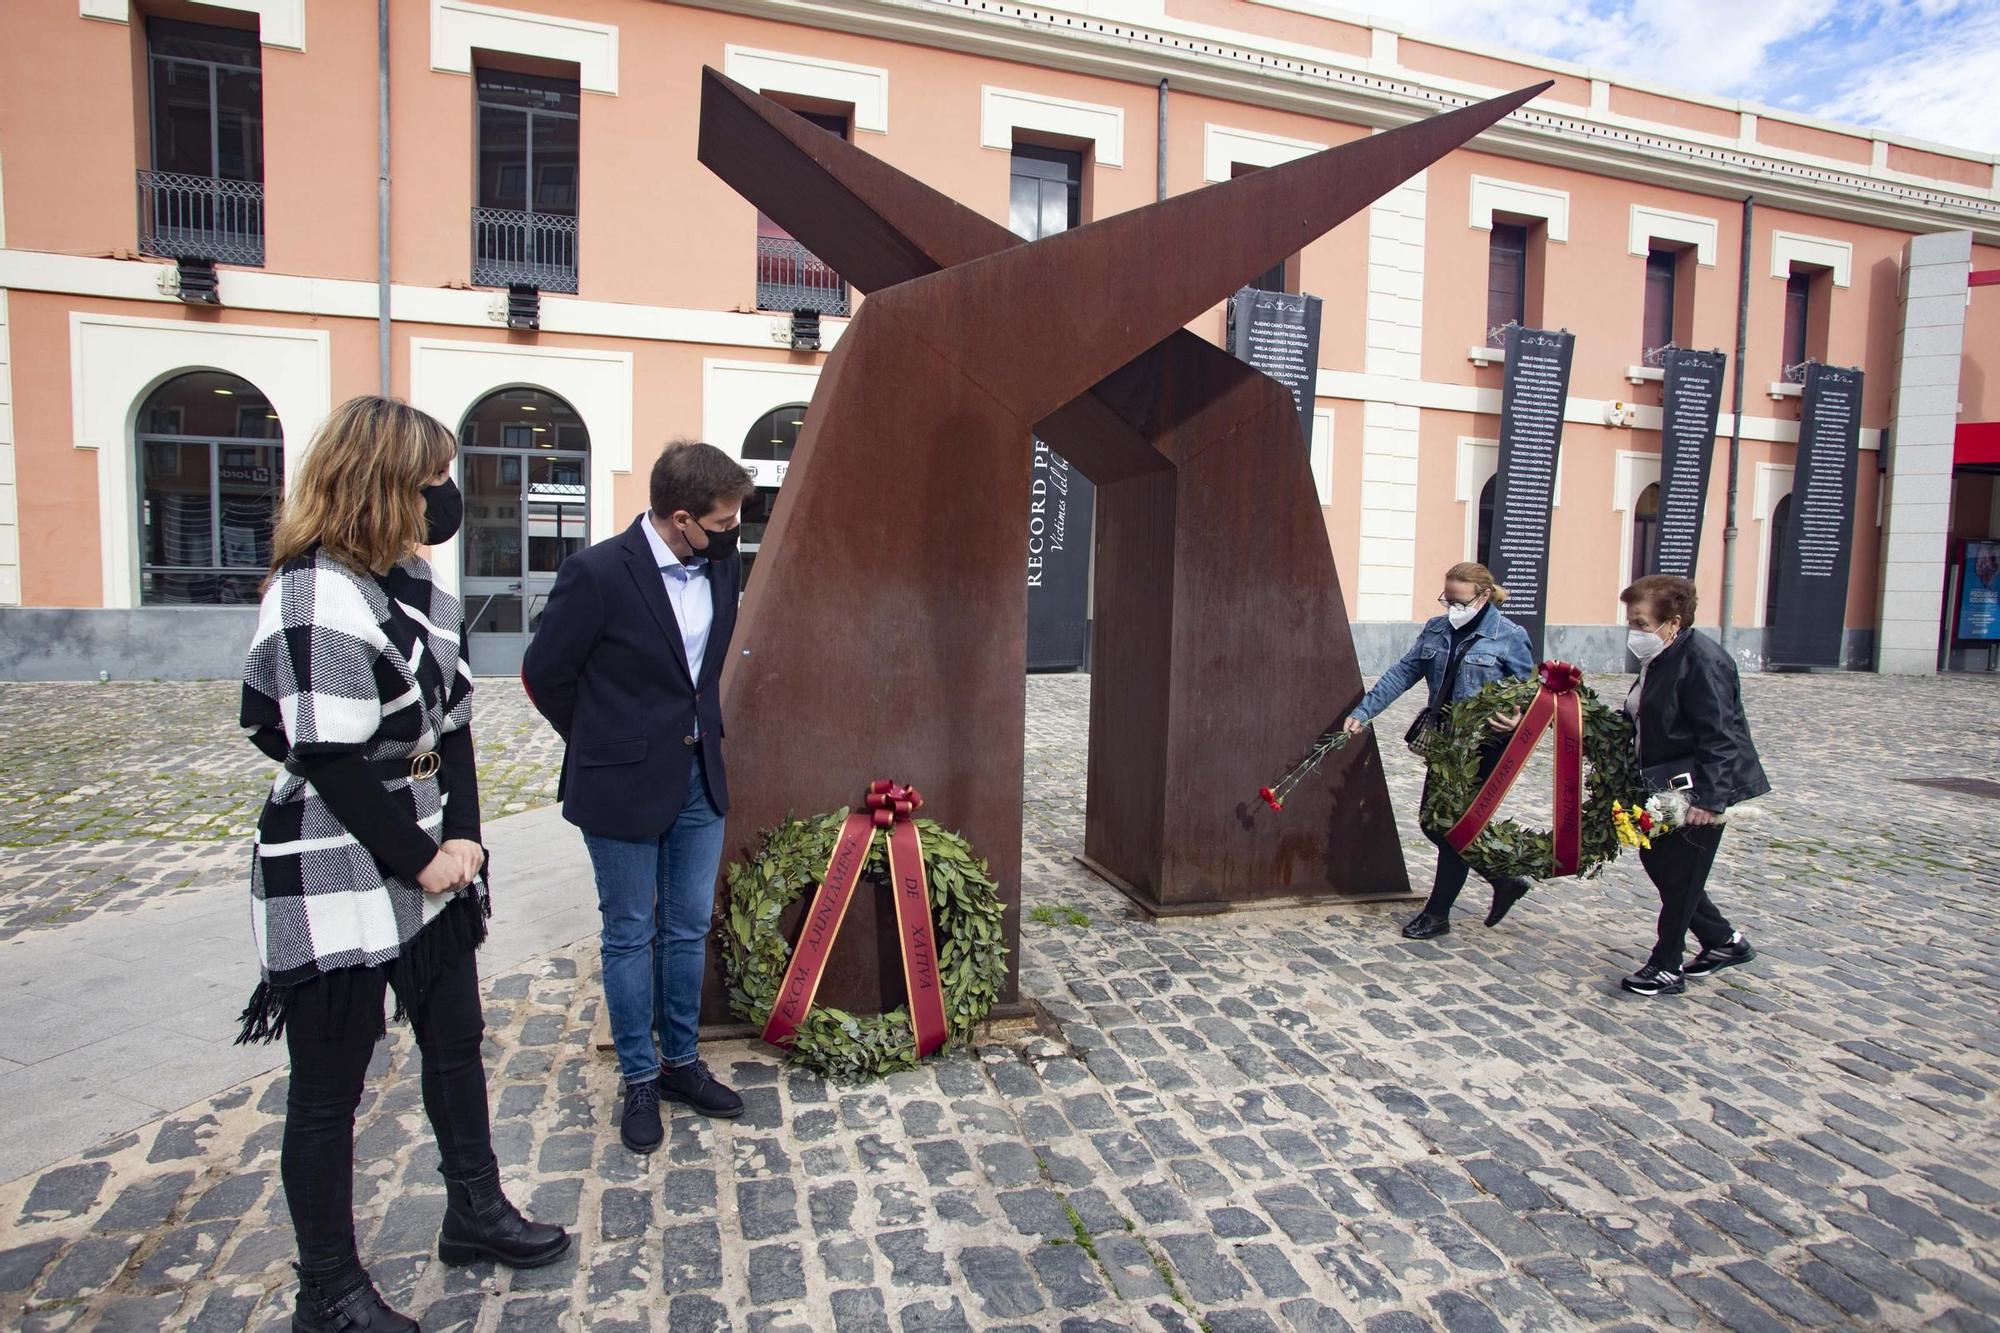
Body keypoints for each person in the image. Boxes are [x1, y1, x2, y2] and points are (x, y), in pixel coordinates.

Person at [237, 396, 568, 1333]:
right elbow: (329, 755)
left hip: (428, 851)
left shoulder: (417, 581)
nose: (447, 496)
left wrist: (464, 833)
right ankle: (329, 1291)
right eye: (433, 480)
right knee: (328, 1091)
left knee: (455, 1040)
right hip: (337, 861)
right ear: (384, 484)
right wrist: (419, 856)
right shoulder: (312, 592)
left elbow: (453, 723)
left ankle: (474, 1207)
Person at [522, 440, 757, 1154]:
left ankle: (682, 1062)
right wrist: (603, 741)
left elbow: (701, 675)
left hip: (698, 779)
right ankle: (639, 1077)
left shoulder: (719, 567)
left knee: (686, 927)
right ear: (680, 517)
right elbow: (544, 674)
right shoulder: (596, 572)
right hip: (618, 783)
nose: (731, 535)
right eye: (721, 523)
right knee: (631, 932)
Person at [1345, 562, 1537, 939]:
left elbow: (1529, 692)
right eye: (1447, 598)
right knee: (1433, 822)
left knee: (1452, 826)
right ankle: (1502, 877)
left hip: (1484, 746)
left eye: (1459, 600)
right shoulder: (1436, 629)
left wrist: (1519, 718)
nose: (1452, 606)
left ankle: (1437, 914)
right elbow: (1404, 672)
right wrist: (1365, 711)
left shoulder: (1509, 635)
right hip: (1447, 745)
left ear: (1483, 596)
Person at [1618, 574, 1769, 996]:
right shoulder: (1662, 657)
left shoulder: (1704, 661)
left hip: (1697, 788)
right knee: (1661, 866)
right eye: (1632, 623)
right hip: (1663, 781)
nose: (1635, 633)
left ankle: (1666, 966)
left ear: (1674, 621)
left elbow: (1721, 735)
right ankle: (1723, 941)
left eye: (1642, 624)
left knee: (1681, 877)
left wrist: (1710, 798)